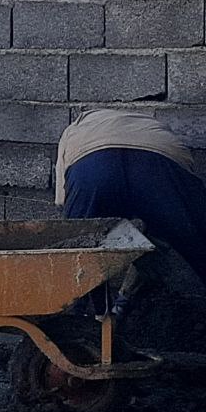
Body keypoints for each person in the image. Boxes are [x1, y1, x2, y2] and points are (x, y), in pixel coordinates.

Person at [56, 107, 206, 287]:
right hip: (160, 157)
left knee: (78, 255)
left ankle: (89, 304)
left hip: (92, 165)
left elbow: (66, 209)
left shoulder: (72, 134)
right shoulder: (153, 127)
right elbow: (158, 202)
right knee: (200, 246)